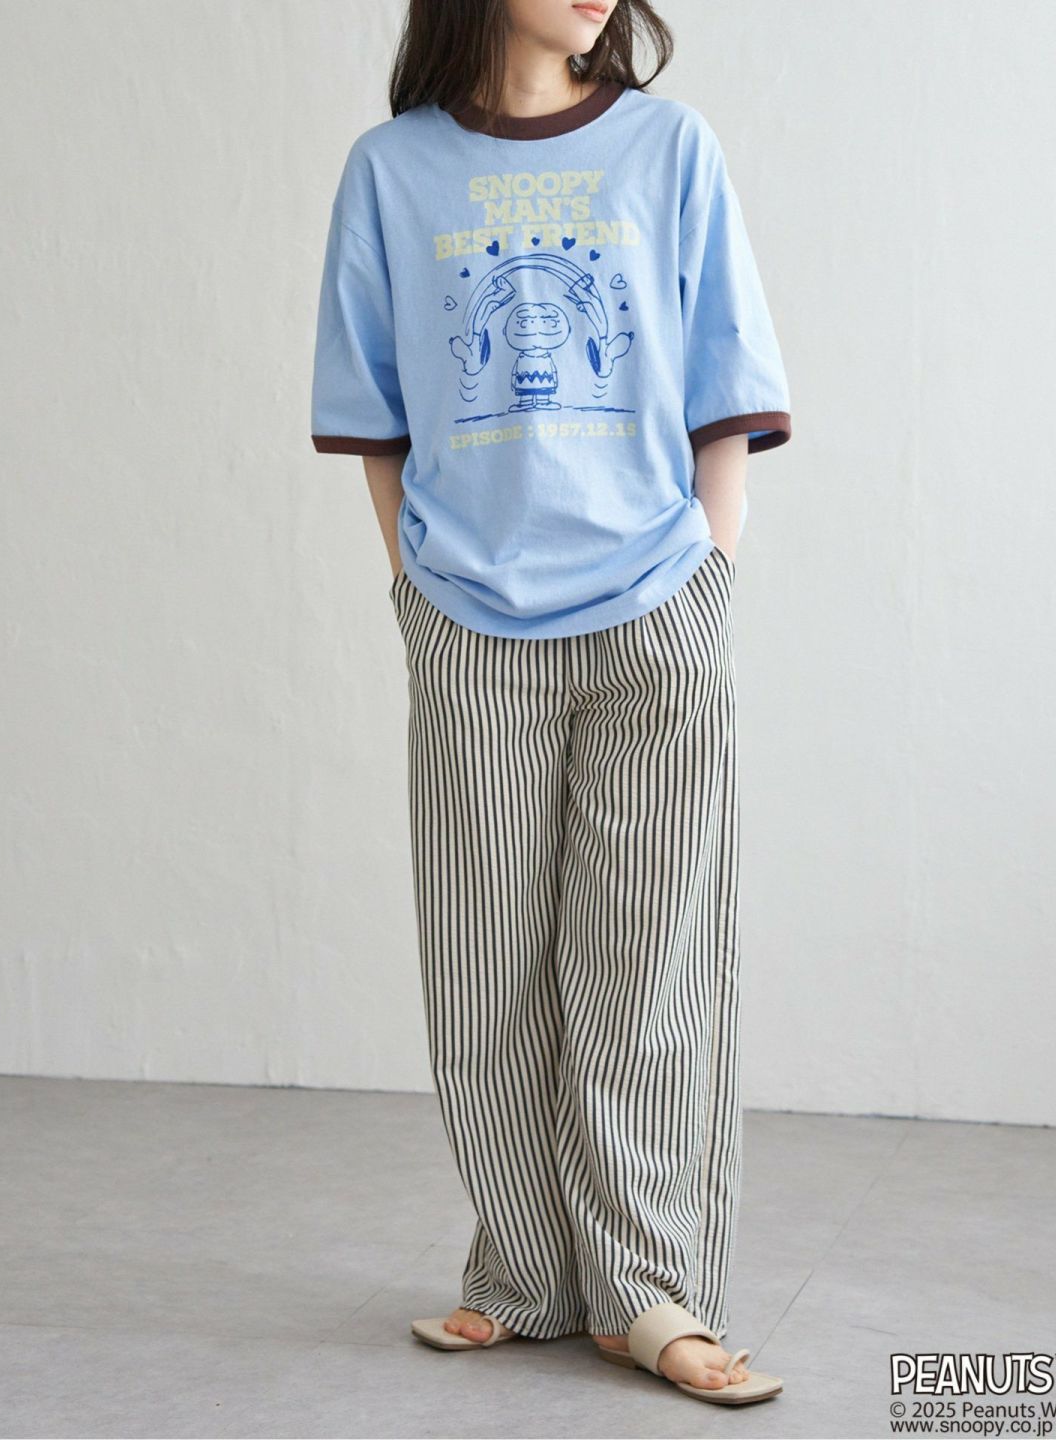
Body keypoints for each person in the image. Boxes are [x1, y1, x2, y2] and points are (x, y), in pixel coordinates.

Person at [310, 0, 791, 1409]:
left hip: (655, 613)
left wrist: (708, 580)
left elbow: (726, 387)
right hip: (470, 625)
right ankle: (525, 1268)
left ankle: (652, 1290)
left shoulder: (670, 148)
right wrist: (417, 591)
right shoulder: (391, 170)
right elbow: (376, 414)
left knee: (650, 973)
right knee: (483, 969)